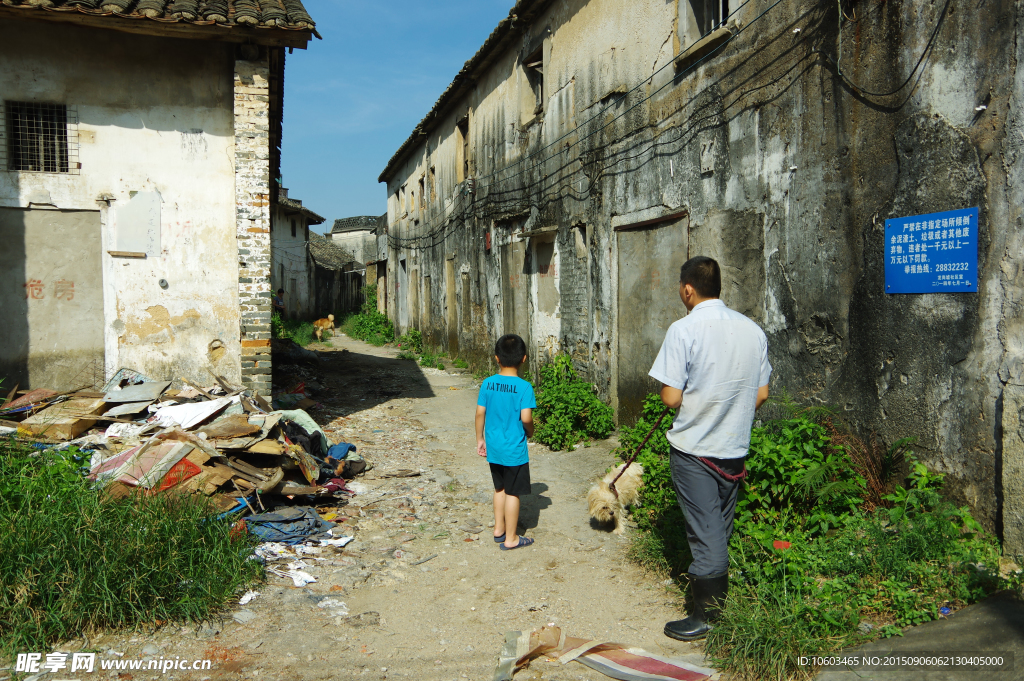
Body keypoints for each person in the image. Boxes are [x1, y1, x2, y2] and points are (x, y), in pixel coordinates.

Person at [649, 256, 771, 641]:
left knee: (706, 533)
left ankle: (710, 615)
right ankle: (709, 586)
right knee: (718, 525)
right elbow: (762, 392)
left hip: (695, 450)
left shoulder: (684, 329)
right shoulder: (752, 330)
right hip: (733, 447)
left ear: (688, 289)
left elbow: (670, 398)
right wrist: (729, 412)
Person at [475, 334, 537, 551]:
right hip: (514, 449)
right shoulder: (524, 387)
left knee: (499, 488)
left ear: (496, 359)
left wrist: (480, 439)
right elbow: (527, 417)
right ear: (524, 359)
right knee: (513, 492)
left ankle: (499, 529)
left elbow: (479, 414)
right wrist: (530, 431)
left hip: (494, 446)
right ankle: (511, 538)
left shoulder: (488, 383)